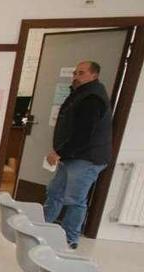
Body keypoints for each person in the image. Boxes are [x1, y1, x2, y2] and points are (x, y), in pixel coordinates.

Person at [44, 60, 113, 249]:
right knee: (55, 192)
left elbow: (83, 134)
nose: (76, 77)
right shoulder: (81, 94)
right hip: (73, 156)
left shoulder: (92, 98)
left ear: (94, 75)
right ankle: (43, 229)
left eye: (81, 73)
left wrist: (60, 151)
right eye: (75, 73)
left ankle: (69, 239)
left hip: (86, 158)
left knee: (75, 199)